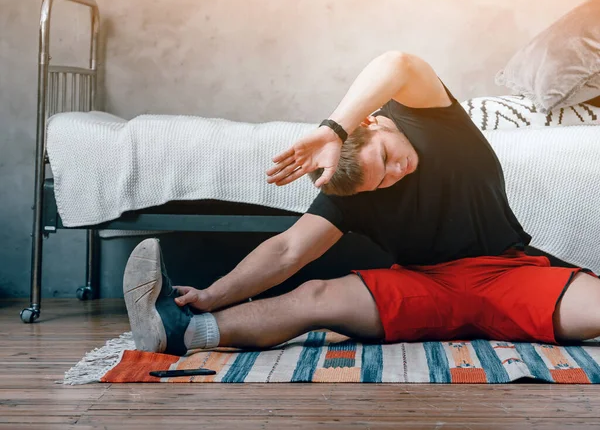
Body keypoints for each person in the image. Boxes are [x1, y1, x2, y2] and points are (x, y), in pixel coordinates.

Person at [123, 51, 600, 355]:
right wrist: (212, 295)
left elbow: (399, 62)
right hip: (425, 287)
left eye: (388, 159)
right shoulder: (348, 190)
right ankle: (182, 331)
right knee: (313, 297)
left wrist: (331, 129)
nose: (395, 175)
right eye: (381, 183)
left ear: (374, 122)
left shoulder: (432, 123)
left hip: (508, 275)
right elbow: (289, 251)